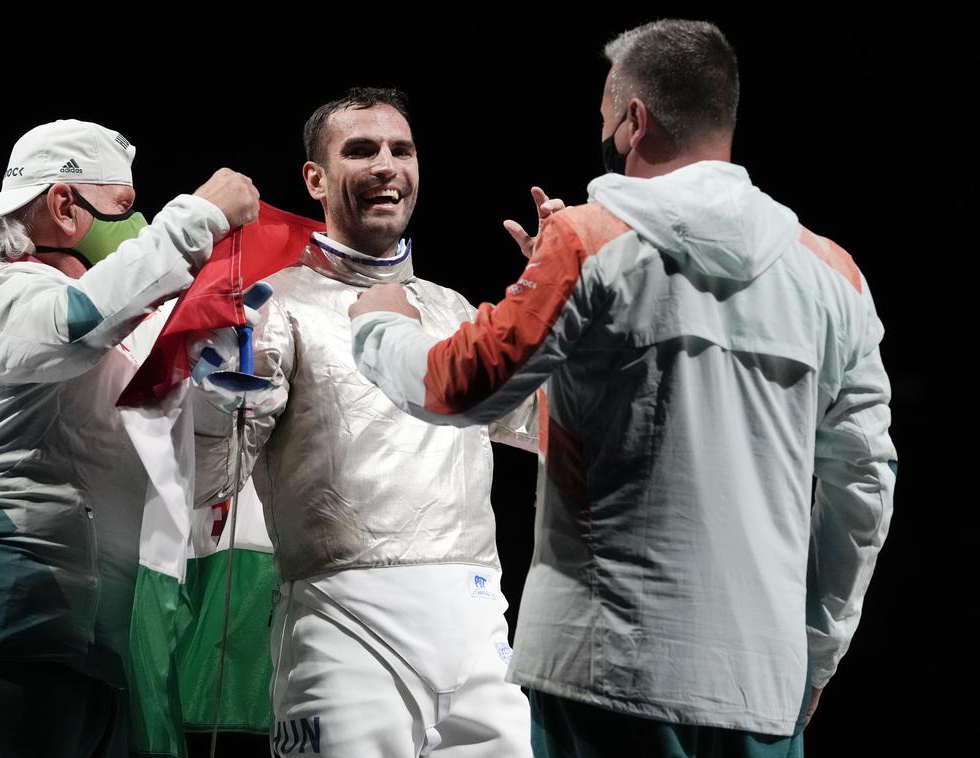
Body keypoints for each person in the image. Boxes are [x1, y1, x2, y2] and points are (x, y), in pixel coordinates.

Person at [348, 20, 896, 758]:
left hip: (607, 675)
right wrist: (817, 649)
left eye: (605, 116)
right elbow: (865, 486)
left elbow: (461, 387)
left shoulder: (587, 241)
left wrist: (379, 324)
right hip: (763, 688)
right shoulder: (835, 273)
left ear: (634, 121)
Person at [192, 88, 543, 757]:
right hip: (342, 627)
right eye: (361, 150)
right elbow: (211, 479)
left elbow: (550, 426)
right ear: (315, 179)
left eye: (400, 150)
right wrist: (216, 391)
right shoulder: (274, 308)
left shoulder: (454, 310)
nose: (386, 165)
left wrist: (562, 308)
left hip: (475, 618)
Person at [0, 118, 259, 757]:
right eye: (126, 209)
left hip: (109, 657)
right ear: (66, 206)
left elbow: (197, 481)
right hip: (6, 639)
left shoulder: (122, 329)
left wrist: (218, 380)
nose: (140, 225)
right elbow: (68, 325)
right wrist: (198, 217)